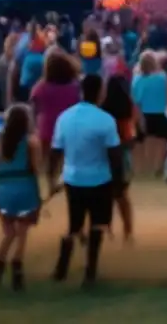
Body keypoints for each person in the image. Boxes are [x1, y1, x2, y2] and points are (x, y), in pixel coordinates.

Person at [49, 74, 125, 288]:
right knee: (98, 225)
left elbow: (55, 152)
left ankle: (61, 266)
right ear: (100, 92)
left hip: (73, 179)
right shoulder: (105, 120)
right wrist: (118, 186)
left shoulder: (65, 117)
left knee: (74, 224)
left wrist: (51, 178)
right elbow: (115, 156)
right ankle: (90, 270)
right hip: (100, 179)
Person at [0, 103, 43, 295]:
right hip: (25, 189)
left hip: (3, 191)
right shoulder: (31, 142)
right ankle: (17, 267)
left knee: (8, 233)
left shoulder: (0, 140)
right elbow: (35, 168)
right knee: (22, 232)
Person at [101, 73, 137, 242]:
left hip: (105, 156)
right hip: (123, 155)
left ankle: (106, 229)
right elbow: (131, 136)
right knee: (122, 196)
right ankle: (128, 232)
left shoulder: (103, 108)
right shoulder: (129, 107)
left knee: (104, 196)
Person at [30, 49, 80, 162]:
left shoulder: (40, 88)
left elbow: (34, 110)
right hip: (70, 130)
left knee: (47, 166)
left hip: (46, 131)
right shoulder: (75, 88)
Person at [131, 50, 167, 174]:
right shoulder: (162, 77)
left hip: (142, 114)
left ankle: (141, 169)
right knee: (160, 141)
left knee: (140, 143)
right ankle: (157, 168)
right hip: (160, 113)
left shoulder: (137, 80)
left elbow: (135, 100)